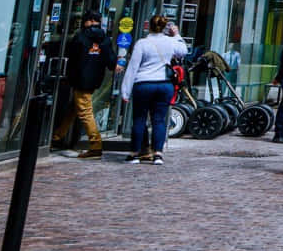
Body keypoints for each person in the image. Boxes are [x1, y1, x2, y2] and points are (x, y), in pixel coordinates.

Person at [120, 16, 187, 164]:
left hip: (143, 83)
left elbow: (133, 67)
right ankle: (158, 154)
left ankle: (135, 153)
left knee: (139, 119)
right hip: (164, 84)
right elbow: (183, 51)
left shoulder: (142, 43)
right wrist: (176, 35)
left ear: (149, 26)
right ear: (165, 27)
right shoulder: (170, 41)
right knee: (159, 120)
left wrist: (125, 91)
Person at [54, 11, 112, 158]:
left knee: (85, 111)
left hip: (79, 79)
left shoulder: (80, 37)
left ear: (89, 21)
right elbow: (110, 60)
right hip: (94, 80)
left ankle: (95, 145)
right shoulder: (105, 38)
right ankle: (58, 136)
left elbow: (71, 57)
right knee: (74, 107)